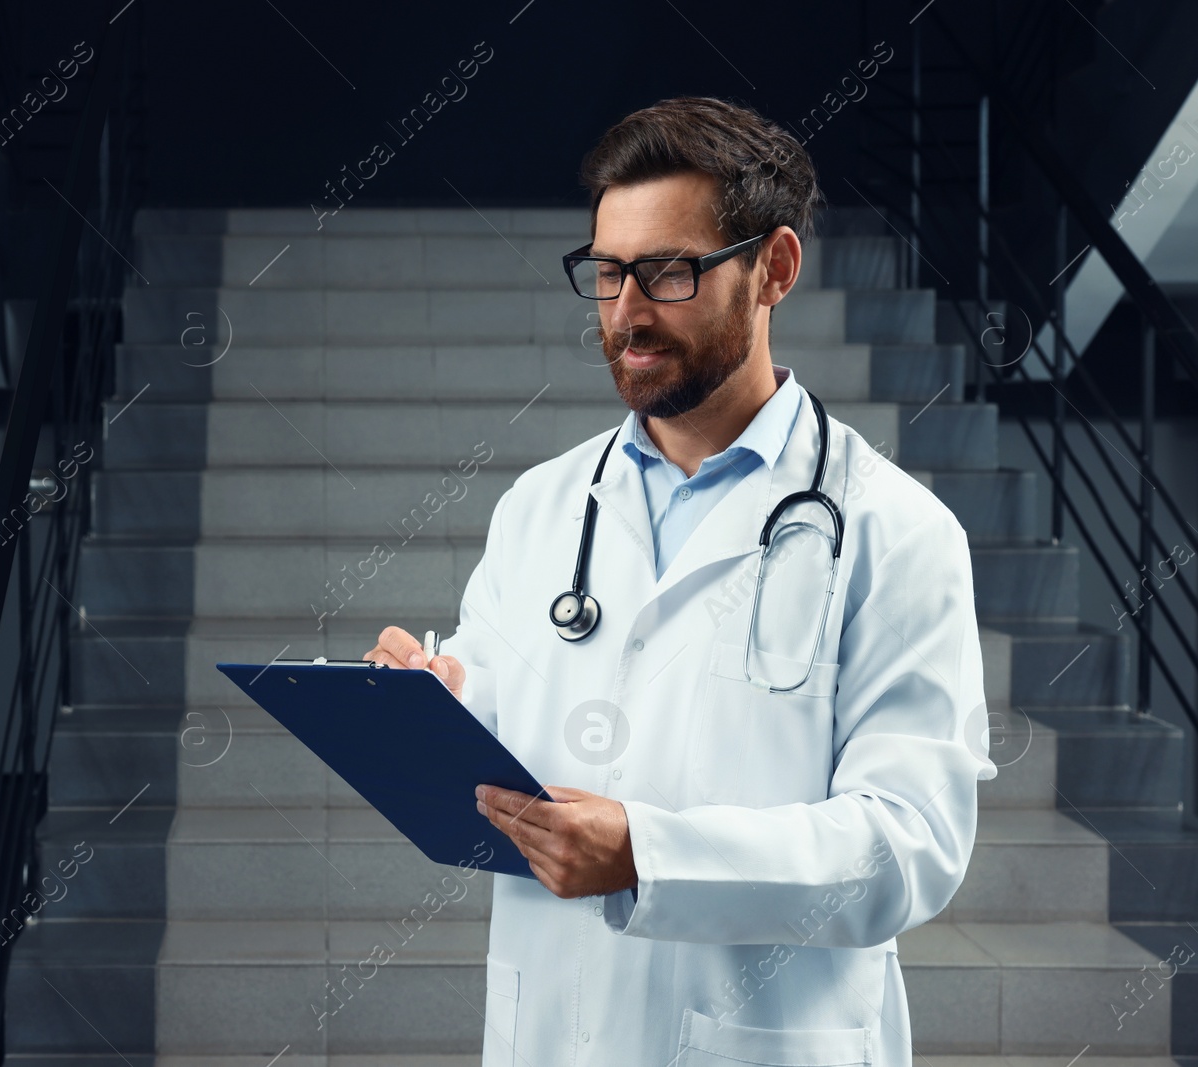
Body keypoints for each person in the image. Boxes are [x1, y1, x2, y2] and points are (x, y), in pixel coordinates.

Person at [363, 96, 994, 1067]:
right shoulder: (541, 506)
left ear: (773, 268)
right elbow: (507, 726)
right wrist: (438, 709)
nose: (626, 313)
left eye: (667, 271)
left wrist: (650, 856)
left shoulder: (893, 531)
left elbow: (907, 847)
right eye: (608, 273)